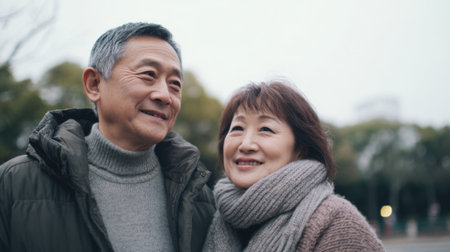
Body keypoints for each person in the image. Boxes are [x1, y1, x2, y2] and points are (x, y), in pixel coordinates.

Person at [0, 22, 215, 252]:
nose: (164, 95)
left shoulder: (200, 200)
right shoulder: (14, 183)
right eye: (148, 75)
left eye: (175, 84)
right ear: (94, 84)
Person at [203, 80, 385, 251]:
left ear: (301, 149)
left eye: (266, 129)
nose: (245, 144)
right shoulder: (205, 214)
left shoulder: (336, 222)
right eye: (237, 129)